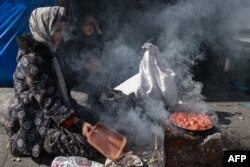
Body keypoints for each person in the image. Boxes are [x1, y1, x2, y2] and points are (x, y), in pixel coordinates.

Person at [5, 6, 99, 158]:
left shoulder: (51, 50)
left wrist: (86, 71)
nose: (61, 35)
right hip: (36, 121)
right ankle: (23, 144)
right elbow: (50, 104)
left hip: (55, 111)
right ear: (43, 29)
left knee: (95, 119)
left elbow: (65, 80)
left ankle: (66, 129)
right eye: (57, 30)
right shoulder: (32, 61)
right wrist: (79, 125)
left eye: (62, 30)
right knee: (87, 147)